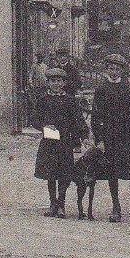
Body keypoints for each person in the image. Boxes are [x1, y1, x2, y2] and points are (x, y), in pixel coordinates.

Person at [91, 54, 130, 224]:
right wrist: (99, 139)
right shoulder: (101, 89)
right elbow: (96, 116)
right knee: (112, 174)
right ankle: (116, 207)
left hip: (128, 138)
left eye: (117, 69)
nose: (114, 72)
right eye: (111, 68)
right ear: (106, 69)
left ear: (123, 70)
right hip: (110, 137)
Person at [31, 67, 89, 218]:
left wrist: (84, 136)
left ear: (64, 83)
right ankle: (52, 204)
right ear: (48, 83)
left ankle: (61, 204)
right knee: (50, 173)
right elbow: (35, 120)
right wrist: (44, 126)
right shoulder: (43, 100)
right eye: (52, 81)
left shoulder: (70, 101)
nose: (56, 84)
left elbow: (78, 120)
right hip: (49, 141)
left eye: (59, 81)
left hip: (64, 142)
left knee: (64, 174)